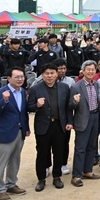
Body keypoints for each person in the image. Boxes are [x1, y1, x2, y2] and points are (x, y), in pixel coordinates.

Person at [27, 63, 73, 191]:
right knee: (42, 153)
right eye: (46, 73)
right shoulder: (36, 88)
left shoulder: (64, 87)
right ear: (42, 75)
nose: (49, 76)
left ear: (57, 74)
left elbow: (67, 107)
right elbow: (29, 107)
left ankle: (57, 177)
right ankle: (41, 179)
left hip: (59, 124)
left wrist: (69, 122)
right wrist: (37, 105)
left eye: (52, 73)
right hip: (43, 125)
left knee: (59, 152)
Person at [0, 67, 30, 200]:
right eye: (17, 77)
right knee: (1, 162)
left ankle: (11, 184)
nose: (20, 79)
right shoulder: (0, 93)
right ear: (8, 78)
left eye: (22, 77)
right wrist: (4, 101)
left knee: (15, 160)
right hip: (5, 133)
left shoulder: (23, 91)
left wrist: (26, 127)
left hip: (19, 131)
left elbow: (23, 112)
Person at [68, 60, 100, 187]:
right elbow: (69, 106)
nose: (91, 72)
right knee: (80, 148)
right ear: (83, 71)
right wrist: (75, 102)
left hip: (95, 116)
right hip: (82, 119)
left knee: (92, 147)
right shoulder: (76, 86)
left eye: (93, 69)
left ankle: (87, 171)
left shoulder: (96, 85)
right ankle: (76, 175)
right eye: (88, 69)